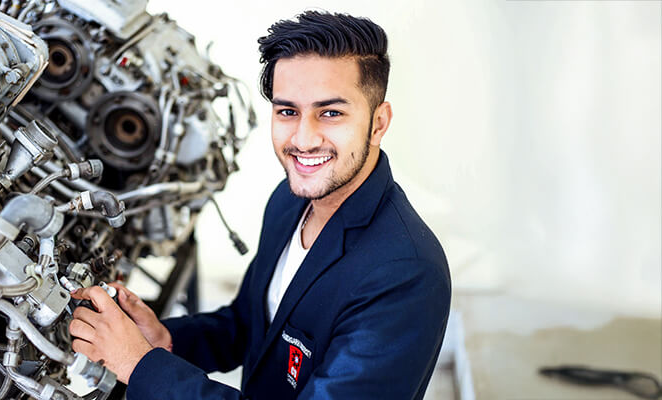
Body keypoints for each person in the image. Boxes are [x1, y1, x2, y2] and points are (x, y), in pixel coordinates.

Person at [68, 11, 451, 399]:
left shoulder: (405, 274)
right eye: (288, 111)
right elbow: (249, 322)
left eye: (330, 113)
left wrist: (140, 366)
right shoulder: (290, 200)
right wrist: (165, 338)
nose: (303, 139)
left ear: (378, 123)